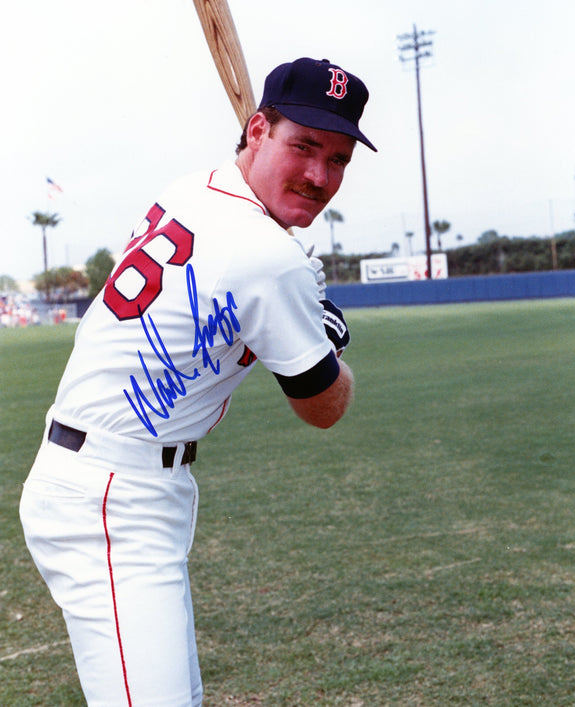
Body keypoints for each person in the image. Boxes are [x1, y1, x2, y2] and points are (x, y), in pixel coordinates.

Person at [19, 56, 376, 706]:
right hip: (109, 497)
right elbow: (325, 407)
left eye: (339, 158)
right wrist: (328, 338)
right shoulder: (270, 260)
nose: (319, 175)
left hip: (106, 477)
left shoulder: (194, 188)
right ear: (258, 130)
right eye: (303, 146)